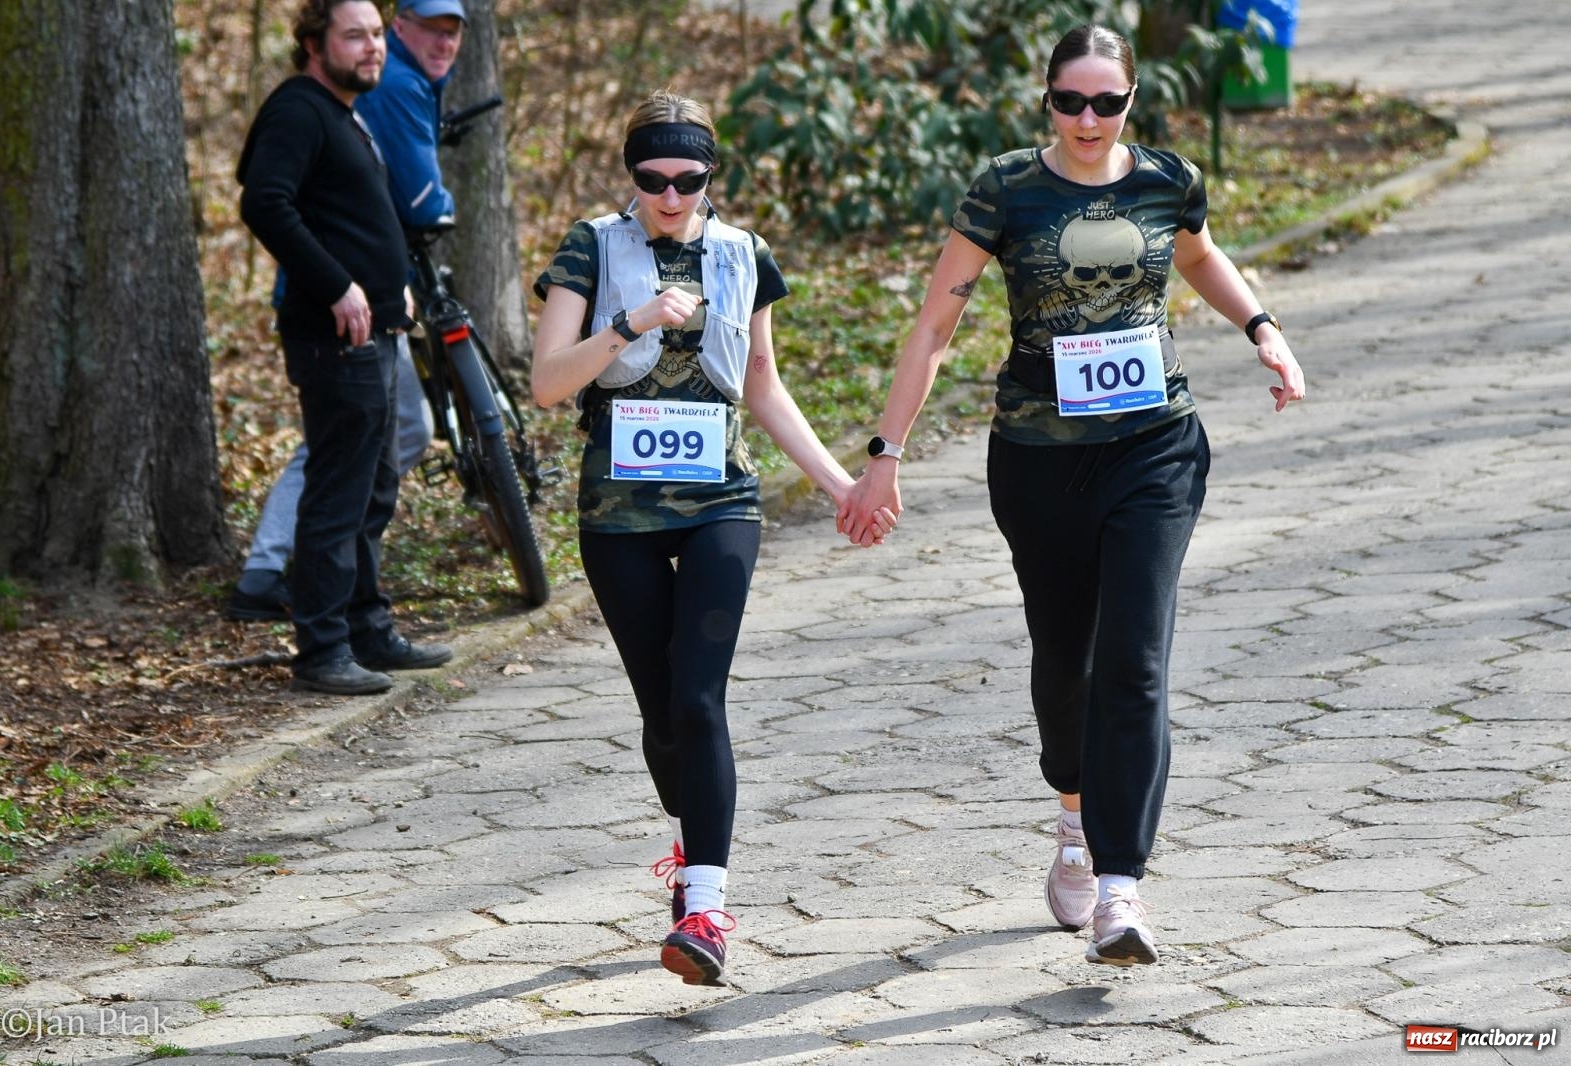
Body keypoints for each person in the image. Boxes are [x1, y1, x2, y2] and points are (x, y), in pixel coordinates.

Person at [839, 24, 1305, 967]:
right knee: (1066, 664)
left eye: (1107, 103)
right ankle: (1073, 817)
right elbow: (934, 326)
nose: (1088, 120)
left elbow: (1198, 255)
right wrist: (886, 453)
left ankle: (1121, 890)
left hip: (1155, 448)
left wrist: (1263, 326)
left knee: (1135, 661)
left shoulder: (1167, 180)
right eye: (1070, 101)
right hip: (1039, 460)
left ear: (1132, 101)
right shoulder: (1008, 189)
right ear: (1046, 99)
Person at [531, 90, 891, 986]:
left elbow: (762, 385)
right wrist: (632, 321)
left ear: (710, 176)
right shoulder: (591, 246)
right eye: (651, 178)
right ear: (631, 175)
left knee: (699, 701)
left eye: (687, 179)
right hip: (618, 514)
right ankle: (691, 851)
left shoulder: (741, 254)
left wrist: (843, 485)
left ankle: (706, 911)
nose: (669, 196)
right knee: (662, 718)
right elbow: (546, 382)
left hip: (720, 503)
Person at [227, 0, 469, 623]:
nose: (372, 47)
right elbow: (264, 203)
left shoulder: (345, 112)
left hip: (376, 324)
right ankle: (324, 643)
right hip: (333, 333)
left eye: (376, 35)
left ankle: (368, 627)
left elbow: (354, 218)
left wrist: (393, 288)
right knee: (340, 494)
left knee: (373, 488)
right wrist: (338, 286)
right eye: (354, 36)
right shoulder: (298, 109)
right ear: (315, 43)